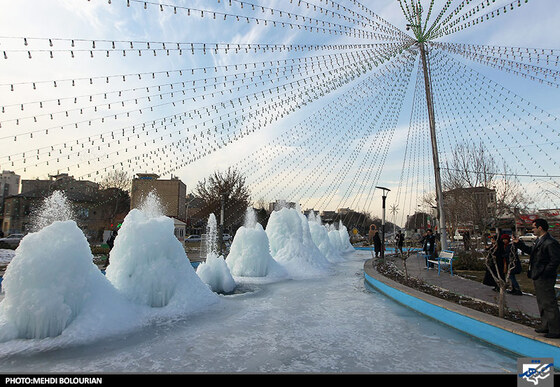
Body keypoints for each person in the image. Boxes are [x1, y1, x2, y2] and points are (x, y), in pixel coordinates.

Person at [513, 219, 560, 338]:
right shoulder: (539, 241)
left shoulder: (550, 242)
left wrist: (544, 272)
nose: (532, 230)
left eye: (533, 227)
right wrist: (519, 243)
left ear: (540, 228)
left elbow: (554, 261)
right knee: (542, 301)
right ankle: (546, 325)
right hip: (537, 275)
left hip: (545, 277)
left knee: (549, 302)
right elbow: (532, 253)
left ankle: (555, 329)